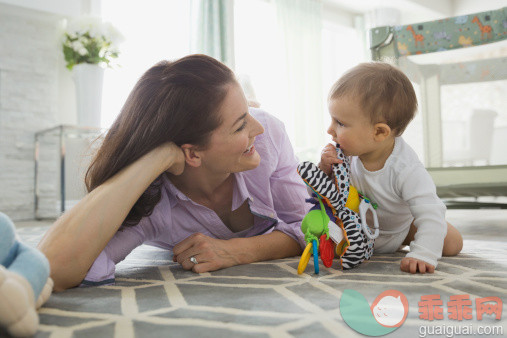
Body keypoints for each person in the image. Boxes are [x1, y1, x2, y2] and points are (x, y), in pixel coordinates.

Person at [38, 54, 310, 291]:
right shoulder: (153, 204)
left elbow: (313, 228)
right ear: (192, 153)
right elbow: (52, 268)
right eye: (240, 126)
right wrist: (158, 158)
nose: (257, 129)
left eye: (248, 112)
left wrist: (236, 251)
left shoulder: (267, 135)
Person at [319, 62, 463, 274]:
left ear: (379, 132)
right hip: (355, 230)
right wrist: (324, 168)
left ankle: (419, 241)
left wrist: (423, 253)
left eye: (340, 123)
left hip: (402, 230)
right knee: (320, 239)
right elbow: (321, 192)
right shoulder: (346, 154)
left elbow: (431, 212)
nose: (330, 129)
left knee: (452, 243)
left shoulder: (406, 169)